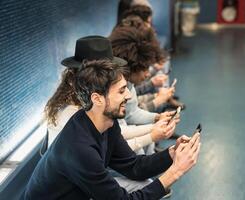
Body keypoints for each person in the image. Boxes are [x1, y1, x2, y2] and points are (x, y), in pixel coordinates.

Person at [22, 58, 201, 200]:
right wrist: (175, 172)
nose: (129, 95)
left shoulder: (106, 122)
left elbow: (134, 166)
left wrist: (172, 153)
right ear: (97, 99)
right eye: (122, 91)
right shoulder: (79, 148)